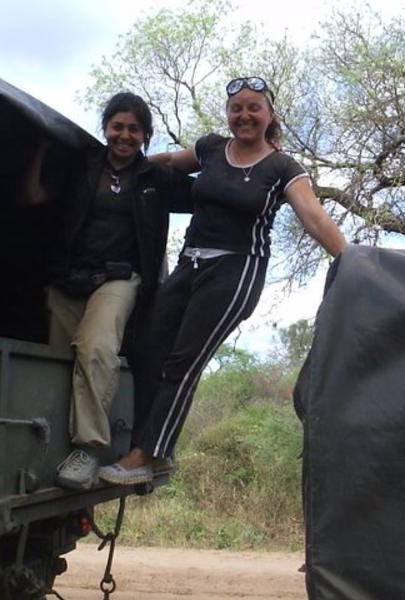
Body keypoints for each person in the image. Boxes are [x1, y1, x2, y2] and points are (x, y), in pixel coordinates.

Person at [98, 77, 347, 485]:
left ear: (269, 115)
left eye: (254, 108)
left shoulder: (282, 167)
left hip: (236, 271)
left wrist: (354, 262)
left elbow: (315, 217)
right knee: (146, 344)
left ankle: (150, 454)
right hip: (189, 263)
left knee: (184, 360)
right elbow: (162, 163)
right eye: (237, 109)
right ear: (228, 115)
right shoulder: (211, 149)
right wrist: (117, 161)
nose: (244, 115)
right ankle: (144, 444)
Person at [20, 92, 193, 490]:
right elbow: (32, 197)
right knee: (60, 361)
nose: (124, 136)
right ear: (105, 128)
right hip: (69, 278)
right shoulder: (82, 166)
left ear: (146, 135)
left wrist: (196, 153)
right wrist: (39, 150)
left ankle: (89, 450)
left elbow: (208, 191)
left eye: (134, 129)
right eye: (118, 126)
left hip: (120, 278)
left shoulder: (155, 179)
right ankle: (53, 454)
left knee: (97, 348)